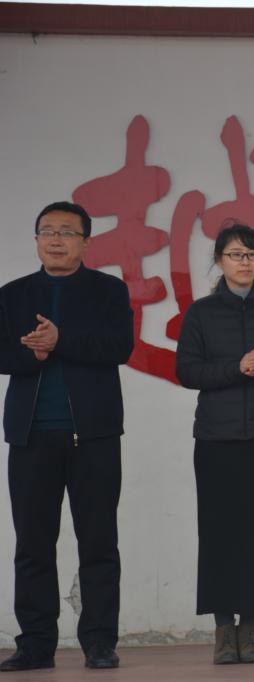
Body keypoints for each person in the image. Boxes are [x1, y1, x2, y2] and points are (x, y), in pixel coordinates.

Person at [0, 201, 133, 671]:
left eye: (67, 232)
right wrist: (31, 356)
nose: (56, 240)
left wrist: (61, 341)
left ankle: (99, 642)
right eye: (47, 231)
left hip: (94, 435)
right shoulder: (13, 294)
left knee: (98, 542)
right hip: (30, 436)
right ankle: (36, 644)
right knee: (33, 545)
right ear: (37, 239)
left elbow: (119, 347)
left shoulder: (108, 290)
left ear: (86, 242)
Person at [175, 223, 254, 665]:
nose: (244, 262)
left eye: (252, 254)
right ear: (219, 260)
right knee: (218, 532)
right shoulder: (201, 314)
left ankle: (250, 631)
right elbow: (187, 371)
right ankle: (223, 630)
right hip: (215, 439)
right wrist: (236, 369)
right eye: (235, 254)